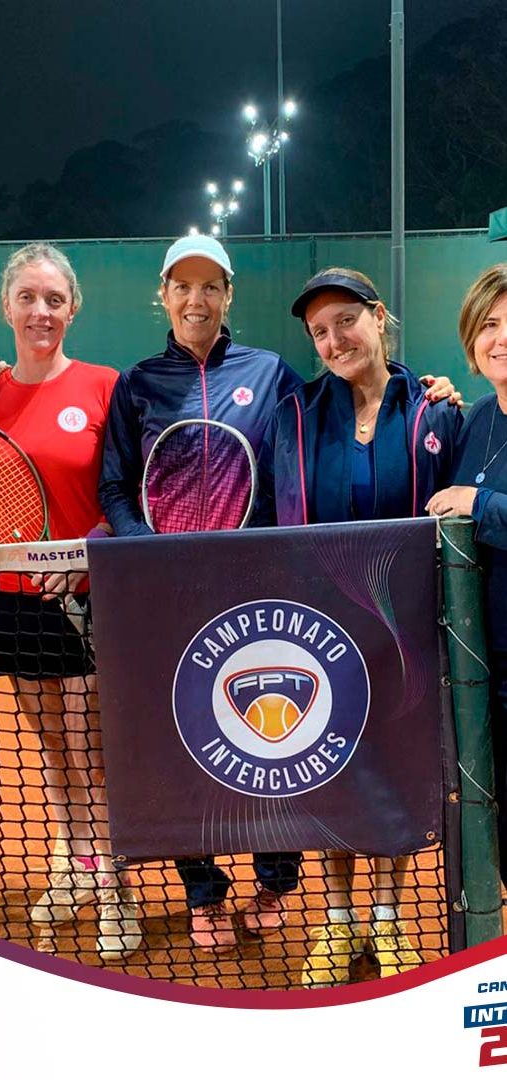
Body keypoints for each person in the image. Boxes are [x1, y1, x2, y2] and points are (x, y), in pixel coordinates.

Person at [252, 266, 463, 985]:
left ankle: (387, 916)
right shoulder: (294, 414)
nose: (335, 339)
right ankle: (338, 919)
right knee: (330, 774)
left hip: (407, 636)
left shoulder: (432, 409)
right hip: (320, 635)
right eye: (320, 331)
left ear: (377, 317)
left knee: (393, 776)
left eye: (346, 320)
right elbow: (272, 518)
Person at [99, 234, 306, 951]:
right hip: (170, 598)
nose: (196, 299)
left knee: (269, 738)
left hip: (256, 592)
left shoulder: (270, 372)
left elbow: (326, 430)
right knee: (183, 745)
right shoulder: (138, 384)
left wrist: (416, 385)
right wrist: (150, 554)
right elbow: (115, 488)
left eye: (210, 286)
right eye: (182, 286)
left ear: (228, 295)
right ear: (163, 295)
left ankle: (275, 879)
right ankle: (204, 891)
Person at [0, 242, 141, 958]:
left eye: (54, 299)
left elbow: (124, 493)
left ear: (74, 309)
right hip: (13, 598)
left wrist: (87, 551)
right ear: (6, 307)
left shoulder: (104, 386)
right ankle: (76, 867)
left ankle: (116, 890)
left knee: (92, 749)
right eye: (28, 298)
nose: (41, 311)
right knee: (52, 750)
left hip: (87, 593)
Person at [426, 263, 507, 891]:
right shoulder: (478, 418)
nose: (499, 338)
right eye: (488, 324)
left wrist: (477, 502)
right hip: (487, 669)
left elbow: (468, 504)